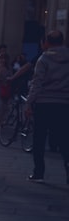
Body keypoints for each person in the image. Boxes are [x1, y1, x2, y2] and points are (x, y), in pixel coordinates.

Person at [25, 30, 69, 183]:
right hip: (63, 103)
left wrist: (29, 102)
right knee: (64, 139)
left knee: (39, 138)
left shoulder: (43, 59)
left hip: (44, 103)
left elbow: (37, 84)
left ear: (47, 43)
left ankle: (39, 173)